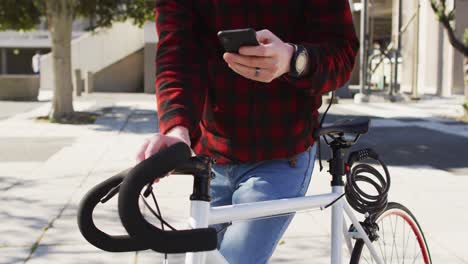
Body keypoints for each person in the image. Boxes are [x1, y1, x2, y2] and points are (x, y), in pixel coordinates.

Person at [137, 1, 359, 263]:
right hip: (212, 156)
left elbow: (342, 53)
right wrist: (177, 129)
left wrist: (293, 59)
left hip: (283, 149)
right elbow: (177, 53)